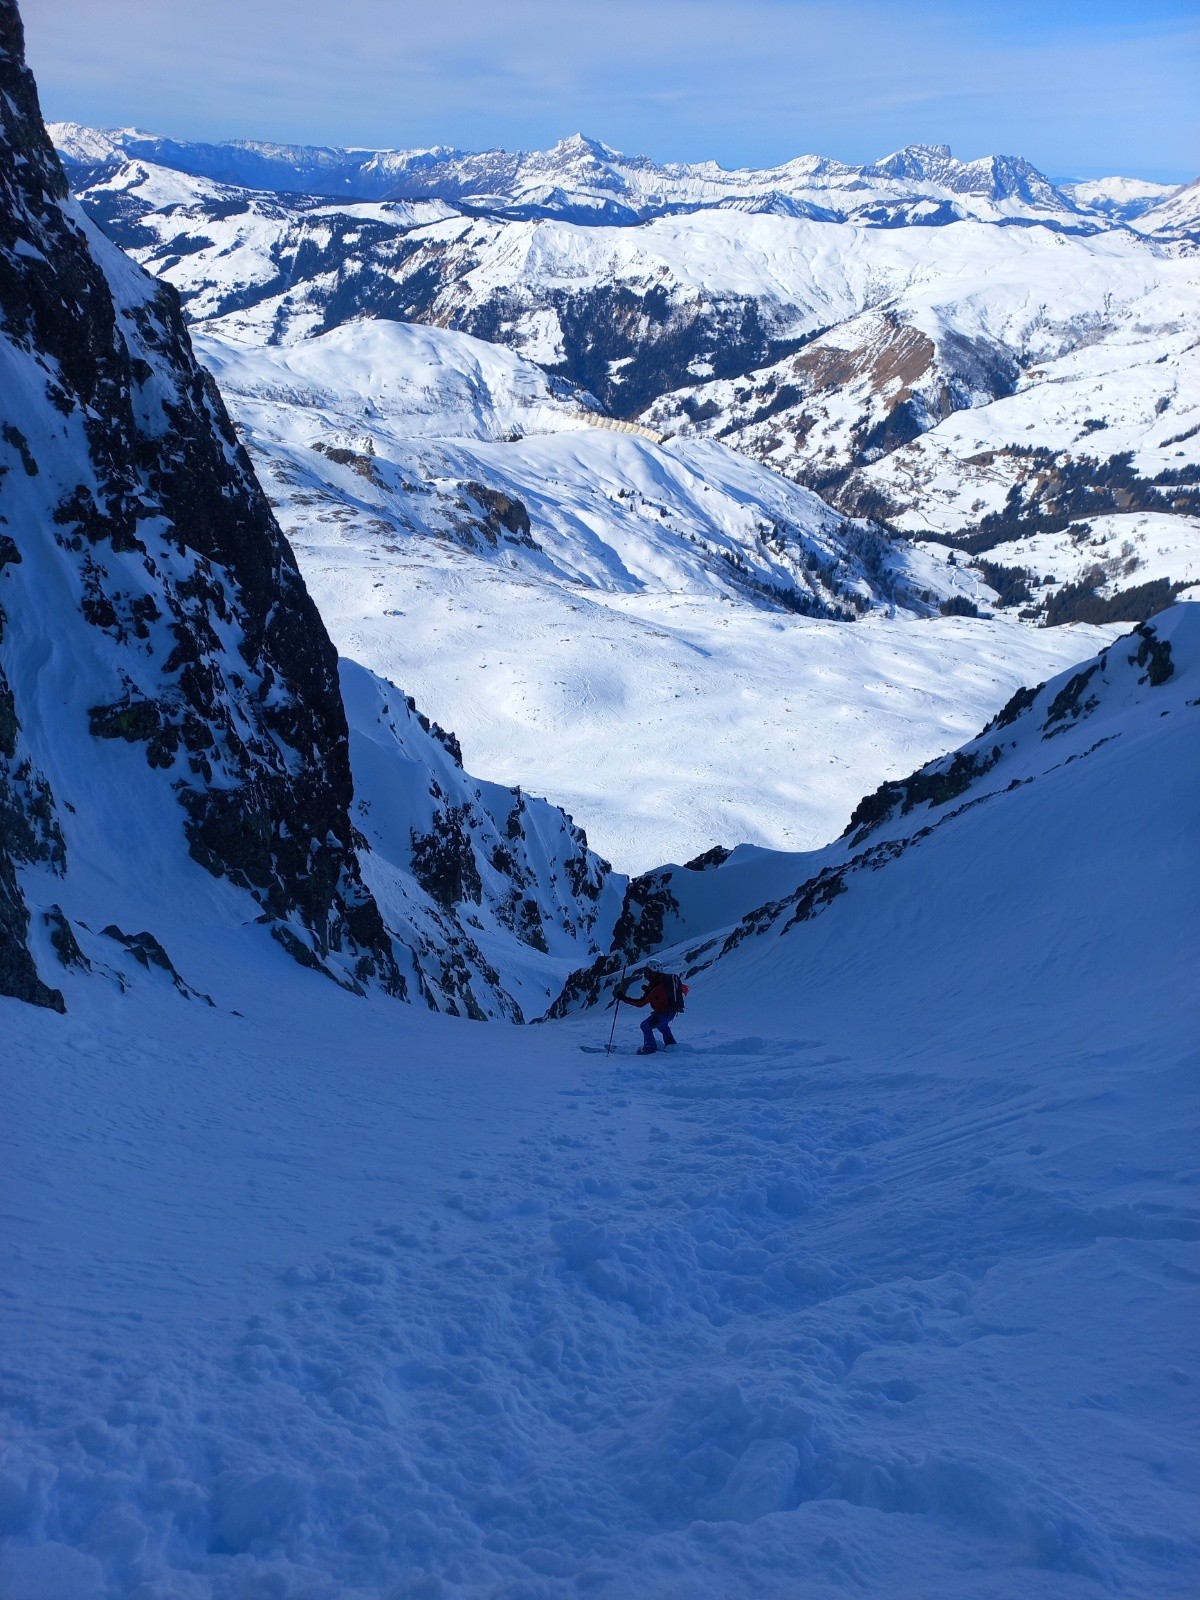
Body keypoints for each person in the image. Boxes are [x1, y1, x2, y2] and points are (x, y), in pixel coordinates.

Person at [618, 968, 680, 1055]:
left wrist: (624, 998)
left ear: (653, 973)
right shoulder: (662, 982)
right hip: (670, 1013)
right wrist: (648, 991)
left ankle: (649, 1048)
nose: (645, 975)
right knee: (662, 1026)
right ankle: (671, 1044)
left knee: (645, 1026)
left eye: (647, 972)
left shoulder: (656, 988)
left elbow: (640, 1003)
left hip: (662, 1015)